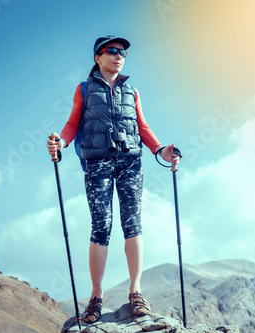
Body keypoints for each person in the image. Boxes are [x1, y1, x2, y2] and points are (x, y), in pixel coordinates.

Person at [46, 35, 178, 323]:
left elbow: (142, 126)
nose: (119, 56)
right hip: (98, 163)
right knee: (101, 226)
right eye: (113, 51)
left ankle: (136, 292)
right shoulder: (84, 89)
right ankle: (96, 296)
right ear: (98, 57)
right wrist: (61, 143)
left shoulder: (133, 91)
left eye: (124, 53)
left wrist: (161, 150)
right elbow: (71, 124)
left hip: (131, 161)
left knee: (133, 223)